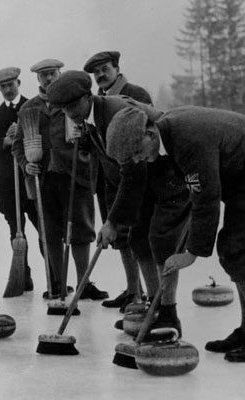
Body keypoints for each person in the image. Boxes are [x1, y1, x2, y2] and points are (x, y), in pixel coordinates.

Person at [106, 105, 245, 361]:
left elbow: (206, 197)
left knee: (240, 251)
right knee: (235, 250)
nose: (139, 160)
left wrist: (192, 253)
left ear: (149, 134)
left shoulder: (187, 141)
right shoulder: (168, 133)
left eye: (138, 153)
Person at [47, 71, 189, 337]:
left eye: (74, 105)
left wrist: (112, 221)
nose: (71, 112)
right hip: (140, 179)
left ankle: (168, 313)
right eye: (65, 109)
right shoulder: (88, 119)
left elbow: (133, 170)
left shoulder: (116, 113)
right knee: (137, 240)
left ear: (88, 97)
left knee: (159, 240)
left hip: (165, 176)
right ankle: (154, 308)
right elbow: (113, 165)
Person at [12, 60, 108, 300]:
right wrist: (27, 164)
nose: (48, 79)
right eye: (43, 76)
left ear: (60, 74)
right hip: (44, 180)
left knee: (81, 229)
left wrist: (84, 141)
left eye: (52, 74)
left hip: (76, 174)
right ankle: (57, 283)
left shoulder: (75, 101)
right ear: (37, 79)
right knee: (50, 233)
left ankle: (84, 283)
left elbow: (95, 135)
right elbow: (17, 147)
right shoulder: (29, 109)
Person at [83, 51, 158, 311]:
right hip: (108, 178)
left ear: (117, 68)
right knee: (119, 237)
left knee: (138, 235)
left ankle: (150, 296)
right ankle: (132, 290)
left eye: (105, 69)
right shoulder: (95, 102)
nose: (100, 75)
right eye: (96, 72)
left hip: (133, 178)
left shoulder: (135, 94)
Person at [0, 67, 40, 292]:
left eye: (10, 85)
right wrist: (4, 141)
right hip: (8, 186)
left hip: (32, 183)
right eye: (3, 87)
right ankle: (23, 275)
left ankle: (54, 277)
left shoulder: (33, 107)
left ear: (19, 83)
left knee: (44, 229)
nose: (7, 89)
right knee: (16, 232)